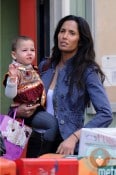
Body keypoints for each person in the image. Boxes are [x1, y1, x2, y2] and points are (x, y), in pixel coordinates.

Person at [14, 15, 112, 156]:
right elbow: (27, 97)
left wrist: (75, 137)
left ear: (80, 41)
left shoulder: (87, 71)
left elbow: (106, 114)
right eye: (62, 31)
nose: (64, 36)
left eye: (71, 33)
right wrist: (20, 109)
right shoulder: (45, 66)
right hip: (39, 141)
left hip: (66, 145)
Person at [3, 36, 58, 157]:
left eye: (32, 50)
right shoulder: (15, 71)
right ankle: (40, 156)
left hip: (36, 109)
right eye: (24, 50)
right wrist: (12, 79)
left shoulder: (34, 69)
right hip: (28, 111)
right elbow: (9, 94)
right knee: (52, 124)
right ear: (14, 55)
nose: (29, 53)